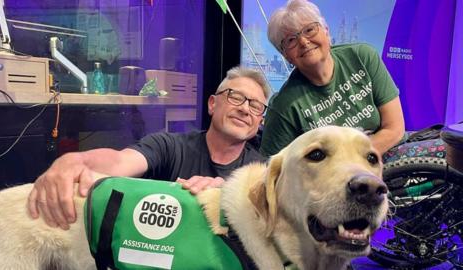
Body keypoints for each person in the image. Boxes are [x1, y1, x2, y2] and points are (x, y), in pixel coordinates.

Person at [27, 66, 271, 230]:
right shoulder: (169, 146)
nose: (244, 108)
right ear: (212, 104)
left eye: (256, 105)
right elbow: (120, 162)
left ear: (260, 121)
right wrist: (75, 162)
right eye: (235, 97)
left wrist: (227, 193)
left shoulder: (261, 174)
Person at [260, 0, 405, 157]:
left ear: (327, 31)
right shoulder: (283, 107)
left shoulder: (362, 57)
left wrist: (351, 159)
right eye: (291, 40)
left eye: (309, 30)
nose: (303, 41)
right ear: (285, 55)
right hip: (335, 177)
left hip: (394, 156)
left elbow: (394, 128)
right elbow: (272, 169)